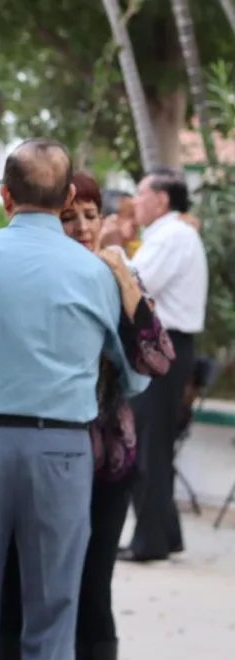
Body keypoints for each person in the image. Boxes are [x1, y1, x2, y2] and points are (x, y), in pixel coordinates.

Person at [0, 138, 148, 660]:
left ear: (4, 195)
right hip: (61, 449)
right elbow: (134, 379)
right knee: (52, 610)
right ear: (67, 196)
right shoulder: (95, 273)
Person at [0, 172, 175, 660]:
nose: (81, 227)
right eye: (67, 216)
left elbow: (158, 360)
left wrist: (123, 281)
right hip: (35, 448)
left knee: (93, 587)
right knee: (17, 584)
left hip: (104, 457)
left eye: (91, 216)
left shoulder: (119, 277)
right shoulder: (26, 274)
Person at [118, 168, 208, 563]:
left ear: (162, 200)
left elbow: (136, 284)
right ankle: (166, 533)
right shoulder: (170, 234)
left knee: (146, 447)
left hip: (164, 347)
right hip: (166, 346)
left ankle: (150, 541)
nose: (134, 202)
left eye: (140, 194)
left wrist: (112, 250)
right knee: (153, 445)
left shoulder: (172, 236)